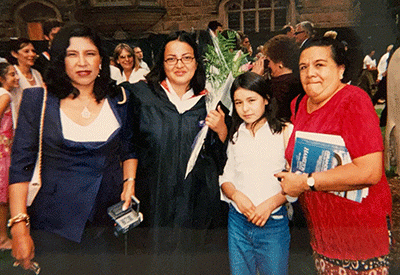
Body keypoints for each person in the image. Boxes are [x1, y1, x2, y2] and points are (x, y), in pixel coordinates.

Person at [8, 23, 129, 272]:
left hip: (108, 225)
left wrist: (129, 183)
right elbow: (21, 166)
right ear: (60, 59)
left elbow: (129, 148)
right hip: (54, 226)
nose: (82, 62)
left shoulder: (120, 100)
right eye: (72, 54)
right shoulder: (37, 101)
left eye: (90, 54)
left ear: (101, 60)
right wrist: (19, 228)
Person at [275, 37, 392, 274]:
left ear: (340, 70)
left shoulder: (353, 100)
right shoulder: (300, 104)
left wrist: (306, 182)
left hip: (359, 233)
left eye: (320, 65)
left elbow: (369, 171)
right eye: (303, 67)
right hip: (322, 233)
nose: (310, 73)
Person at [121, 30, 229, 272]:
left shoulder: (211, 100)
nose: (179, 64)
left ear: (196, 62)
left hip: (198, 199)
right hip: (155, 197)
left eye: (187, 58)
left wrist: (221, 130)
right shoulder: (141, 95)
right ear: (162, 63)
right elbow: (129, 143)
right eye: (171, 59)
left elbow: (221, 157)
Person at [220, 71, 290, 275]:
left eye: (251, 100)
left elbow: (296, 182)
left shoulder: (284, 132)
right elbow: (226, 177)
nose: (245, 108)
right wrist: (236, 196)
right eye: (238, 102)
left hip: (273, 223)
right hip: (238, 222)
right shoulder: (236, 135)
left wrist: (270, 205)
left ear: (266, 99)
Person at [0, 63, 19, 251]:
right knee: (3, 197)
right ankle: (3, 239)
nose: (16, 78)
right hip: (3, 151)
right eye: (12, 75)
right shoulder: (4, 95)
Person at [262, 34, 303, 121]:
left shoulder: (281, 88)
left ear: (280, 63)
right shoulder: (297, 80)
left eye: (269, 61)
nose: (268, 65)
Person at [7, 38, 45, 127]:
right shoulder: (12, 74)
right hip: (18, 123)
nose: (32, 54)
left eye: (33, 51)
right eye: (26, 51)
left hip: (37, 122)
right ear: (15, 54)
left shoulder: (37, 73)